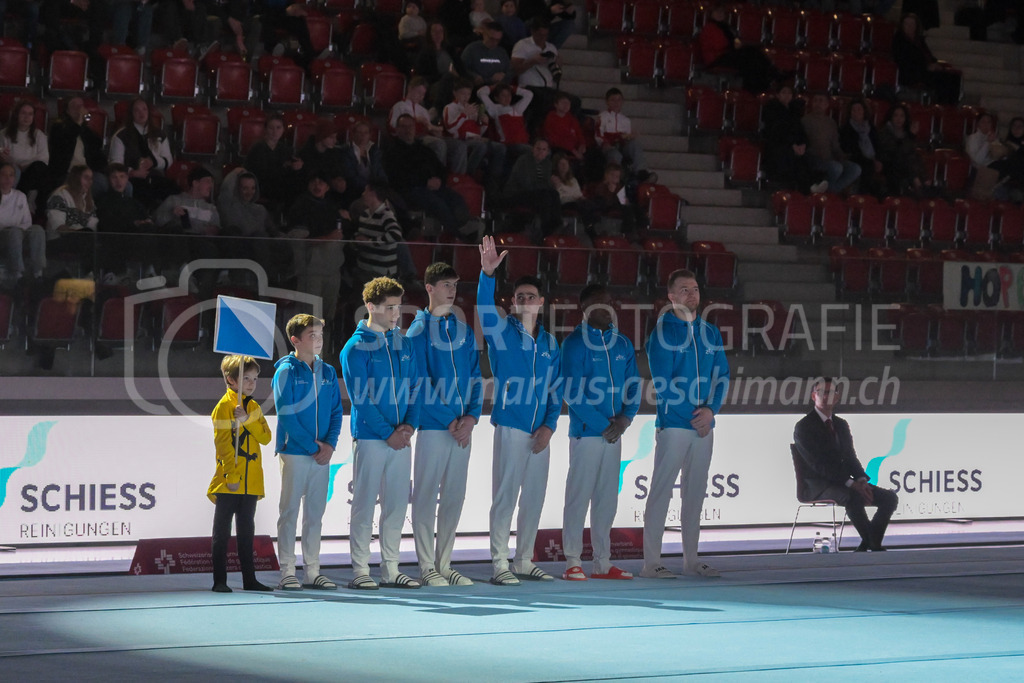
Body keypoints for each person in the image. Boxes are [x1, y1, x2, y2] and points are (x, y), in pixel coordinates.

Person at [477, 235, 562, 585]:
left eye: (532, 297)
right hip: (512, 426)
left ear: (541, 302)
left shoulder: (549, 342)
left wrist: (550, 427)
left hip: (539, 432)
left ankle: (524, 559)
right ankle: (499, 562)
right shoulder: (501, 332)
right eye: (520, 297)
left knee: (534, 498)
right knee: (506, 497)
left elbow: (555, 389)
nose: (526, 301)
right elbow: (484, 307)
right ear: (512, 303)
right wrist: (487, 274)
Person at [642, 269, 729, 579]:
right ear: (671, 296)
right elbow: (663, 384)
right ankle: (651, 562)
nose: (692, 294)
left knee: (695, 493)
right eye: (684, 289)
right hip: (676, 426)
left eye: (695, 288)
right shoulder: (663, 333)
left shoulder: (711, 333)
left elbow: (722, 377)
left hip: (704, 426)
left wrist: (711, 412)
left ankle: (691, 560)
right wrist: (696, 418)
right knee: (661, 492)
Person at [341, 276, 423, 590]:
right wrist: (389, 433)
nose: (395, 313)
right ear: (371, 307)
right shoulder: (355, 347)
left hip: (401, 438)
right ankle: (361, 569)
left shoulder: (404, 342)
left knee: (397, 505)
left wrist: (409, 426)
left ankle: (391, 569)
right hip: (373, 438)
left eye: (398, 307)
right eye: (389, 307)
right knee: (363, 504)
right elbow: (361, 398)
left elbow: (416, 388)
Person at [406, 262, 483, 587]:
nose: (452, 290)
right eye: (446, 284)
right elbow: (420, 384)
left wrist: (471, 417)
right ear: (430, 288)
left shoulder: (463, 331)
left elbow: (477, 377)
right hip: (435, 429)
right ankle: (427, 566)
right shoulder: (417, 331)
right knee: (425, 496)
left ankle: (445, 563)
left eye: (455, 284)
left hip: (461, 428)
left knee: (454, 496)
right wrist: (452, 420)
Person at [560, 284, 640, 581]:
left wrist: (626, 419)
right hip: (587, 434)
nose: (607, 308)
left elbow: (633, 384)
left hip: (614, 434)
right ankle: (571, 561)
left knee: (607, 498)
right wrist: (604, 425)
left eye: (609, 302)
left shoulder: (622, 343)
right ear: (585, 309)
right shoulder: (574, 344)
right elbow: (572, 392)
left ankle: (602, 562)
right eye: (598, 304)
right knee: (578, 496)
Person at [273, 313, 344, 591]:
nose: (318, 341)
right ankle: (287, 571)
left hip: (321, 453)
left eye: (321, 336)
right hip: (295, 452)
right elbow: (286, 415)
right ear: (295, 340)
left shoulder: (327, 372)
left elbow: (337, 411)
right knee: (289, 512)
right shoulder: (286, 371)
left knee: (315, 514)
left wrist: (330, 445)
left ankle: (312, 571)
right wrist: (315, 446)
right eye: (312, 336)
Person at [793, 378, 899, 552]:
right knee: (853, 496)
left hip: (843, 483)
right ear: (814, 396)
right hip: (817, 485)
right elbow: (818, 465)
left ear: (837, 397)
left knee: (889, 498)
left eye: (832, 392)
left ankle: (868, 543)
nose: (827, 396)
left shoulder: (841, 425)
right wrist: (851, 484)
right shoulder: (804, 427)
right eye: (822, 392)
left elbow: (850, 457)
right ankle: (873, 544)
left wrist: (861, 480)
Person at [208, 354, 274, 593]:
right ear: (231, 380)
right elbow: (224, 445)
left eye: (254, 379)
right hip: (229, 483)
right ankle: (219, 580)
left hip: (251, 483)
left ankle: (250, 579)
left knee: (247, 533)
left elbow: (266, 438)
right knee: (221, 534)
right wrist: (232, 477)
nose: (251, 383)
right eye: (246, 378)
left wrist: (246, 420)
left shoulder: (254, 407)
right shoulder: (223, 407)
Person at [384, 114, 472, 237]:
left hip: (432, 187)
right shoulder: (392, 151)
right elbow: (398, 177)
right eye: (403, 127)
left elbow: (440, 168)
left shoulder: (423, 149)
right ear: (397, 129)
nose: (407, 130)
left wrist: (439, 180)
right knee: (438, 204)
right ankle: (458, 236)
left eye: (410, 126)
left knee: (456, 198)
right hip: (410, 190)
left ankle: (466, 227)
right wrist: (425, 182)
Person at [286, 172, 347, 326]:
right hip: (310, 270)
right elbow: (300, 241)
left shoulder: (332, 207)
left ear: (327, 187)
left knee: (327, 321)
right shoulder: (300, 206)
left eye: (322, 182)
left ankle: (324, 349)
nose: (317, 185)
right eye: (314, 181)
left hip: (332, 270)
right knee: (309, 320)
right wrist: (329, 237)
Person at [389, 76, 467, 174]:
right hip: (414, 137)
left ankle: (458, 177)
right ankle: (438, 175)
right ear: (410, 88)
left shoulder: (423, 110)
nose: (420, 97)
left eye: (423, 94)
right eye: (418, 92)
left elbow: (430, 128)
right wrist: (415, 120)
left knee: (459, 145)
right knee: (439, 144)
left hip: (428, 136)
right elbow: (393, 128)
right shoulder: (399, 106)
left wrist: (436, 130)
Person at [696, 2, 779, 94]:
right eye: (717, 12)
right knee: (750, 54)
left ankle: (764, 80)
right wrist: (734, 45)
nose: (720, 14)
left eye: (722, 12)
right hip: (716, 58)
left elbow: (736, 42)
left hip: (727, 54)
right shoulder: (709, 28)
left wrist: (736, 45)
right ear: (711, 13)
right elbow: (719, 45)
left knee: (751, 56)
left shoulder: (726, 28)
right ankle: (770, 76)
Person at [108, 98, 177, 207]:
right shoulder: (121, 136)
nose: (142, 113)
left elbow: (168, 160)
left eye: (144, 109)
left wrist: (153, 162)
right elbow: (116, 163)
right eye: (137, 110)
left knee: (174, 191)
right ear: (131, 114)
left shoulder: (159, 134)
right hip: (132, 178)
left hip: (155, 176)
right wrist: (132, 172)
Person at [761, 85, 826, 194]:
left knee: (806, 158)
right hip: (777, 147)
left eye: (789, 93)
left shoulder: (793, 112)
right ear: (778, 95)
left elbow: (800, 131)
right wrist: (792, 145)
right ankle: (810, 186)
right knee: (795, 161)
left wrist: (803, 144)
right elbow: (776, 133)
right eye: (784, 92)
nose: (787, 95)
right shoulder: (772, 110)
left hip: (793, 146)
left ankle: (812, 185)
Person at [443, 79, 507, 187]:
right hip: (460, 139)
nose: (466, 97)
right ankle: (468, 174)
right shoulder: (450, 107)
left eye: (468, 94)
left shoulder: (471, 107)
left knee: (500, 148)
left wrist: (484, 123)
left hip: (474, 139)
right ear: (455, 93)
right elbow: (451, 129)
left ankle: (491, 181)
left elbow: (478, 131)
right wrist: (463, 116)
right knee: (481, 146)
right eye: (463, 93)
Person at [891, 13, 961, 105]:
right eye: (906, 24)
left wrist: (936, 64)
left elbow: (928, 56)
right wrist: (926, 66)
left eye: (912, 24)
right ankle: (943, 105)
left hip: (924, 70)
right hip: (912, 73)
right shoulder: (899, 41)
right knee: (942, 79)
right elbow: (905, 61)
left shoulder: (919, 41)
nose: (909, 27)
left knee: (954, 77)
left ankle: (951, 107)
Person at [504, 137, 563, 241]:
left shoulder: (547, 164)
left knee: (554, 194)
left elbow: (546, 184)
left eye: (543, 149)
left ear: (547, 152)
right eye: (538, 148)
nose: (540, 151)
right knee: (546, 196)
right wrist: (546, 185)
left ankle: (555, 224)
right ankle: (546, 229)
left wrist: (551, 185)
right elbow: (526, 184)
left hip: (537, 193)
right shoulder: (524, 161)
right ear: (533, 149)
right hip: (518, 193)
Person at [48, 96, 109, 197]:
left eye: (81, 106)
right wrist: (78, 124)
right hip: (67, 171)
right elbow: (65, 144)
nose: (79, 109)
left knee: (102, 182)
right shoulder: (58, 127)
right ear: (67, 111)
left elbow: (97, 145)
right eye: (75, 106)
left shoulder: (85, 130)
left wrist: (83, 125)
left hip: (86, 170)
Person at [245, 113, 305, 214]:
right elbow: (259, 173)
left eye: (278, 128)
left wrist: (297, 166)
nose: (275, 131)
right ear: (266, 129)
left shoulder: (285, 149)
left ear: (283, 129)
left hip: (280, 185)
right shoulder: (257, 149)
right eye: (271, 128)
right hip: (262, 186)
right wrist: (284, 167)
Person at [802, 93, 861, 194]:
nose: (817, 103)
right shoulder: (805, 121)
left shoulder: (831, 123)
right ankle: (826, 193)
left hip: (829, 158)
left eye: (821, 101)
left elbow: (835, 145)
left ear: (826, 104)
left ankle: (829, 191)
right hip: (813, 159)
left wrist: (841, 156)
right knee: (836, 168)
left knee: (855, 169)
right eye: (815, 100)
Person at [1, 100, 49, 214]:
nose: (26, 117)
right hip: (13, 168)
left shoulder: (39, 135)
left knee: (39, 168)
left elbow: (43, 158)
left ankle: (33, 204)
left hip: (32, 170)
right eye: (23, 113)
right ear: (17, 115)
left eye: (30, 114)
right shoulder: (4, 134)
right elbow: (3, 153)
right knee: (14, 170)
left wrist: (25, 165)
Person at [0, 162, 45, 282]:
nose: (7, 178)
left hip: (19, 233)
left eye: (11, 175)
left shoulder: (20, 196)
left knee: (37, 230)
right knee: (14, 232)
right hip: (3, 236)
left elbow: (27, 222)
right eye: (4, 175)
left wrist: (17, 229)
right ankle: (18, 274)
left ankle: (38, 272)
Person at [596, 89, 653, 182]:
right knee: (615, 154)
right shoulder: (602, 117)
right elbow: (598, 135)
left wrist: (629, 137)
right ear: (607, 102)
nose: (616, 103)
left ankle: (640, 172)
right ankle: (615, 178)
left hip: (622, 145)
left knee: (635, 144)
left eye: (619, 100)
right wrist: (607, 142)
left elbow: (626, 137)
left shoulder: (626, 120)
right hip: (609, 146)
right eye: (613, 100)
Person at [45, 164, 97, 265]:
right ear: (76, 178)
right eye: (86, 178)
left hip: (82, 240)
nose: (90, 182)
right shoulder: (59, 196)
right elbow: (60, 228)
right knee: (87, 236)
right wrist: (80, 234)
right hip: (58, 241)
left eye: (91, 178)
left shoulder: (88, 200)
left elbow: (93, 226)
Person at [876, 104, 930, 197]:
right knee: (906, 159)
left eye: (902, 116)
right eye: (896, 115)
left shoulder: (906, 133)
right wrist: (911, 137)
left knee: (915, 157)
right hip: (890, 164)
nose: (899, 119)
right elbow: (896, 151)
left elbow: (911, 153)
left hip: (904, 166)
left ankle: (923, 181)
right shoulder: (884, 132)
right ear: (891, 117)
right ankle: (918, 183)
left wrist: (910, 137)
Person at [352, 182, 403, 278]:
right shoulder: (365, 214)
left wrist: (369, 242)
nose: (363, 194)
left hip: (380, 271)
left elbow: (395, 234)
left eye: (365, 191)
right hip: (364, 267)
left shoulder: (386, 215)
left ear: (373, 193)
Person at [839, 99, 883, 197]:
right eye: (854, 110)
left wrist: (878, 159)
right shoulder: (846, 129)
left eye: (859, 109)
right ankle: (863, 195)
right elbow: (850, 149)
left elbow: (878, 145)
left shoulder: (871, 127)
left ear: (864, 111)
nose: (856, 112)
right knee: (867, 166)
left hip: (873, 158)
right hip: (856, 158)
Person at [298, 119, 348, 204]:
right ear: (322, 136)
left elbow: (338, 172)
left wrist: (340, 180)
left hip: (329, 194)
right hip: (309, 197)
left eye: (335, 137)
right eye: (331, 137)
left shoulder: (334, 154)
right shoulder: (305, 154)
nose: (335, 141)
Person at [478, 84, 533, 156]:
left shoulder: (517, 109)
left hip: (523, 143)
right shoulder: (494, 109)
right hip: (508, 144)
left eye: (509, 95)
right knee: (530, 150)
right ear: (496, 98)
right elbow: (481, 92)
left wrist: (512, 87)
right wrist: (494, 87)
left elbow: (529, 94)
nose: (507, 98)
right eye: (503, 96)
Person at [461, 19, 511, 88]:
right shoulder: (472, 49)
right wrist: (474, 76)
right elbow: (462, 68)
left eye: (497, 40)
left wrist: (503, 75)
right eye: (491, 39)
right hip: (476, 87)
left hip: (497, 88)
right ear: (484, 34)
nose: (494, 43)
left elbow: (509, 71)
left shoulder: (502, 52)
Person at [543, 92, 587, 163]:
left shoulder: (572, 118)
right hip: (559, 148)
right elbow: (554, 139)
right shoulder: (551, 118)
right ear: (556, 105)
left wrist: (582, 145)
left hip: (574, 148)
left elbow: (579, 134)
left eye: (568, 103)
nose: (566, 106)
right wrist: (573, 151)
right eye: (563, 103)